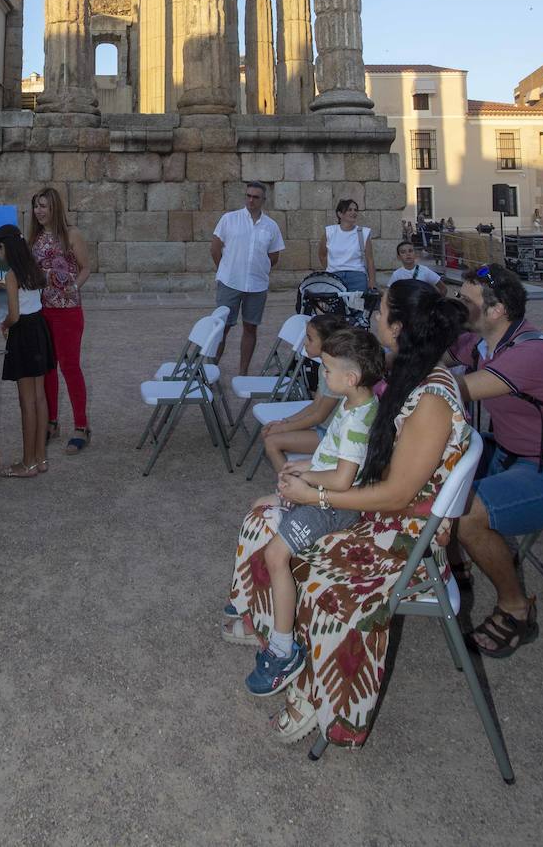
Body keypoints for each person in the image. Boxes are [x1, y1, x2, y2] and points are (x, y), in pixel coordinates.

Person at [263, 281, 470, 744]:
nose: (374, 318)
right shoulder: (409, 374)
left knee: (309, 569)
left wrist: (318, 496)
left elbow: (397, 496)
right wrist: (316, 479)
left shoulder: (432, 399)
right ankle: (283, 651)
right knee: (281, 530)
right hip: (390, 513)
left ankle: (320, 700)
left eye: (380, 312)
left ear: (399, 327)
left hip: (405, 535)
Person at [225, 328, 383, 698]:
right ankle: (256, 609)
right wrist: (305, 466)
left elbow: (344, 479)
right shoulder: (353, 404)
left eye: (327, 370)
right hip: (319, 490)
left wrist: (306, 478)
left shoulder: (360, 419)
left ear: (351, 377)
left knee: (276, 554)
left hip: (330, 506)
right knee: (258, 507)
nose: (322, 376)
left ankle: (283, 650)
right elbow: (332, 454)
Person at [449, 264, 543, 657]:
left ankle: (516, 609)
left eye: (466, 301)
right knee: (439, 472)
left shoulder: (530, 353)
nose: (458, 306)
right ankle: (457, 564)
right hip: (521, 455)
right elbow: (445, 351)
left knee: (464, 512)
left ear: (496, 311)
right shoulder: (485, 343)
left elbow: (452, 390)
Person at [29, 187, 92, 454]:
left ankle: (81, 426)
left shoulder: (71, 234)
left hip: (67, 311)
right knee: (48, 369)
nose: (39, 211)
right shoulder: (35, 238)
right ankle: (51, 422)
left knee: (69, 367)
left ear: (55, 207)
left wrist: (73, 288)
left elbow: (87, 267)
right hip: (42, 311)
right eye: (36, 206)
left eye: (43, 206)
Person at [0, 223, 56, 479]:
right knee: (40, 398)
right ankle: (40, 458)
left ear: (4, 246)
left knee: (26, 402)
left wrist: (4, 324)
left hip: (24, 334)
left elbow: (15, 315)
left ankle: (27, 463)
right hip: (39, 329)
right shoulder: (33, 269)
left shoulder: (11, 275)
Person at [211, 182, 285, 375]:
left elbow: (274, 256)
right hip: (230, 282)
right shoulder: (229, 219)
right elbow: (215, 249)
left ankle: (243, 372)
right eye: (248, 196)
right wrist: (227, 270)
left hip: (257, 285)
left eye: (256, 197)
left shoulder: (271, 226)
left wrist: (257, 269)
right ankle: (210, 370)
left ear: (263, 200)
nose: (251, 200)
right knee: (222, 327)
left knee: (251, 327)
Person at [261, 313, 349, 475]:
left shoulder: (336, 372)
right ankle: (293, 487)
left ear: (327, 343)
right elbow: (314, 406)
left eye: (309, 339)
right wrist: (283, 422)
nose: (304, 343)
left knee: (272, 442)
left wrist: (283, 428)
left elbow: (319, 416)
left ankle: (291, 491)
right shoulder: (325, 367)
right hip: (325, 430)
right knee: (271, 435)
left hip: (334, 437)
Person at [318, 198, 376, 294]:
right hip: (334, 277)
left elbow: (370, 259)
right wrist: (332, 269)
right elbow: (322, 255)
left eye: (355, 210)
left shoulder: (363, 233)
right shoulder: (330, 232)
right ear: (340, 214)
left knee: (357, 308)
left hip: (357, 276)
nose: (353, 212)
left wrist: (372, 281)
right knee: (336, 307)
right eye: (349, 210)